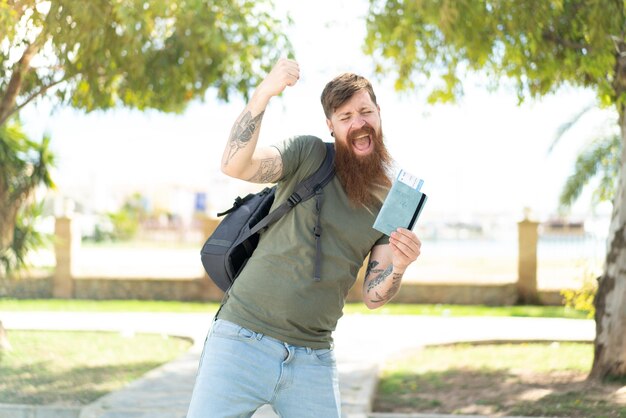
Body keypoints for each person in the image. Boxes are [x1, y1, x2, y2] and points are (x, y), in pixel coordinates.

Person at [186, 58, 422, 418]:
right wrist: (264, 94)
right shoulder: (308, 154)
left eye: (365, 111)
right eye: (345, 117)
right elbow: (235, 165)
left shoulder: (394, 200)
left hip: (313, 358)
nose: (358, 123)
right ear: (331, 125)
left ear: (378, 113)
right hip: (240, 339)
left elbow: (374, 295)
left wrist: (399, 267)